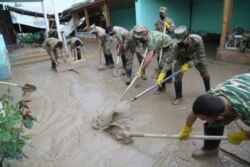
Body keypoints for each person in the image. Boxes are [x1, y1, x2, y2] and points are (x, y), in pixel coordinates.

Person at [178, 73, 250, 159]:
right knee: (214, 123)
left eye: (206, 119)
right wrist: (187, 128)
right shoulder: (212, 94)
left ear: (220, 118)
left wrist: (242, 136)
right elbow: (195, 111)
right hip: (244, 82)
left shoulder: (246, 110)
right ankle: (211, 149)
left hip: (245, 97)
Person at [157, 25, 211, 105]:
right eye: (178, 41)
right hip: (182, 58)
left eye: (181, 41)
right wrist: (162, 73)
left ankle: (209, 93)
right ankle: (179, 97)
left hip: (196, 58)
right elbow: (169, 60)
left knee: (205, 73)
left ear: (188, 38)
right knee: (177, 75)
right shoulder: (175, 45)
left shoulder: (197, 40)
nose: (180, 43)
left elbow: (201, 56)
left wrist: (189, 64)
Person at [134, 26, 174, 94]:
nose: (139, 39)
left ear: (145, 35)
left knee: (161, 67)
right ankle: (169, 80)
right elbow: (152, 50)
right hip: (162, 44)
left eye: (140, 38)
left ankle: (162, 88)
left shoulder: (151, 41)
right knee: (164, 64)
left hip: (169, 47)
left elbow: (149, 58)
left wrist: (141, 70)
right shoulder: (149, 35)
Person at [154, 6, 175, 83]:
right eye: (160, 12)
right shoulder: (157, 22)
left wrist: (168, 26)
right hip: (160, 45)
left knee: (168, 62)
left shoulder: (170, 20)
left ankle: (169, 79)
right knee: (160, 60)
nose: (161, 14)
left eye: (162, 13)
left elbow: (173, 30)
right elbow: (154, 31)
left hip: (168, 45)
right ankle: (162, 76)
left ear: (166, 13)